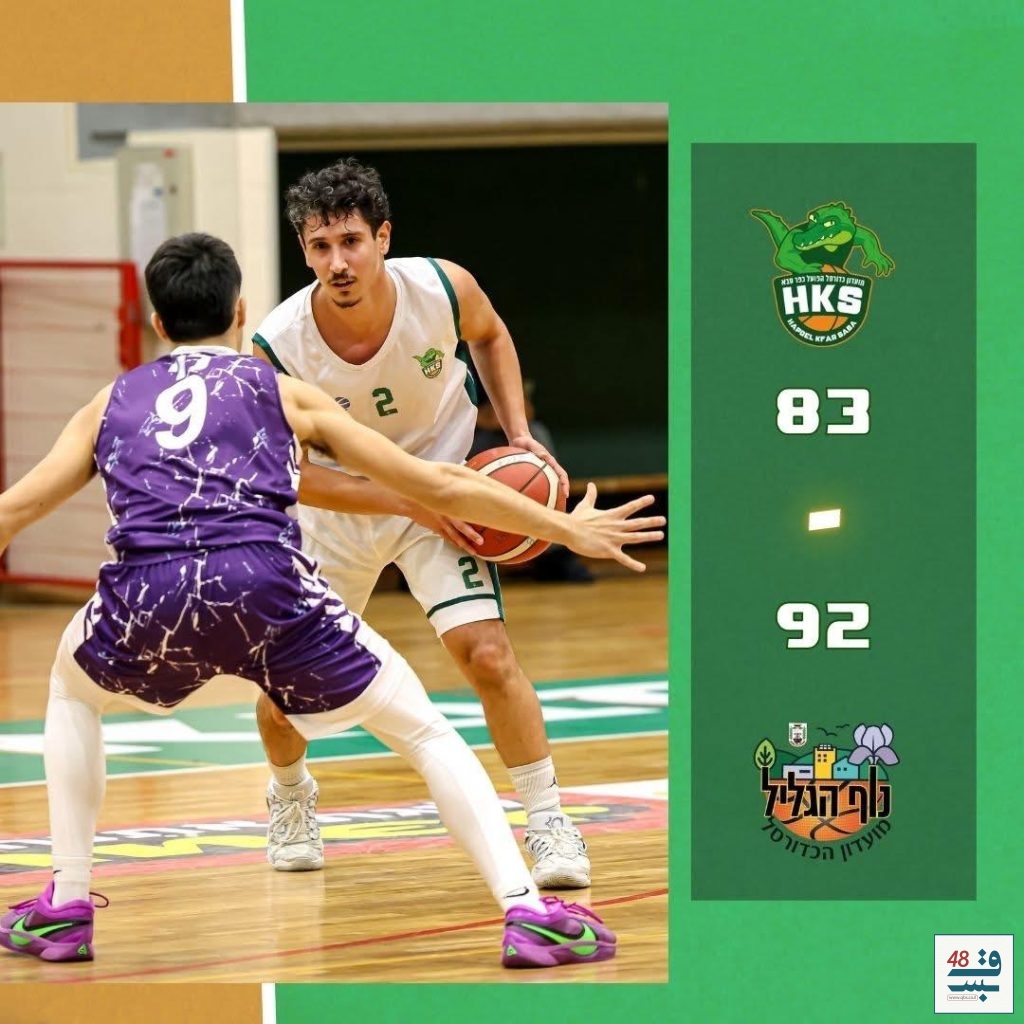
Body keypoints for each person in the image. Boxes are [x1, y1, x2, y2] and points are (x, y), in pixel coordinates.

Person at [0, 233, 662, 967]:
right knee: (426, 734)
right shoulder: (279, 390)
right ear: (239, 310)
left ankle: (66, 904)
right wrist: (566, 528)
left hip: (147, 596)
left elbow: (15, 510)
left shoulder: (111, 402)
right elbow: (436, 482)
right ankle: (527, 912)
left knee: (71, 692)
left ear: (159, 323)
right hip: (265, 589)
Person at [253, 158, 594, 886]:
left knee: (488, 656)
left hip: (444, 496)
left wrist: (519, 432)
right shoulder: (278, 344)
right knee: (285, 695)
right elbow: (292, 474)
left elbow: (491, 334)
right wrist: (410, 499)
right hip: (342, 513)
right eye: (320, 247)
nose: (338, 263)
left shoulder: (442, 287)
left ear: (383, 237)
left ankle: (547, 821)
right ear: (304, 252)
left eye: (351, 241)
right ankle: (290, 794)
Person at [469, 377, 594, 583]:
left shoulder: (533, 432)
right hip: (475, 454)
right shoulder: (473, 433)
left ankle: (551, 549)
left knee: (536, 440)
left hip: (512, 449)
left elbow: (526, 412)